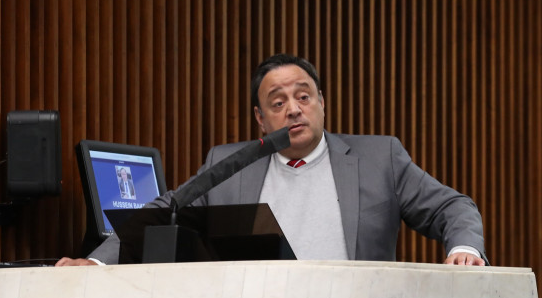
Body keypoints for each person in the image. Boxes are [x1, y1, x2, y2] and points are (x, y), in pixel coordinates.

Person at [57, 54, 486, 267]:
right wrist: (94, 262)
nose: (294, 109)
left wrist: (464, 249)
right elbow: (161, 214)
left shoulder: (379, 158)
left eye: (303, 96)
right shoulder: (229, 165)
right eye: (278, 102)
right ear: (262, 121)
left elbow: (453, 207)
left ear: (322, 103)